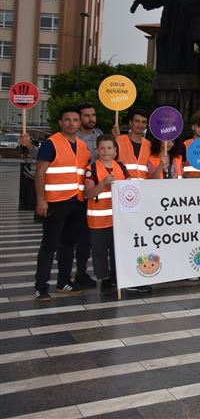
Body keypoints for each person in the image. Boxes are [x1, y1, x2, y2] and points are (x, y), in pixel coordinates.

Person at [33, 106, 92, 301]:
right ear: (60, 122)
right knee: (50, 245)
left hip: (76, 201)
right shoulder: (51, 144)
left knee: (68, 244)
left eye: (75, 120)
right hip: (55, 202)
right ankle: (41, 287)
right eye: (67, 119)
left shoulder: (82, 146)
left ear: (79, 122)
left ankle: (64, 281)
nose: (71, 123)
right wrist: (41, 199)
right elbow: (40, 173)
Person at [83, 135, 130, 296]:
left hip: (119, 220)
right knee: (100, 252)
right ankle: (104, 279)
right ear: (97, 150)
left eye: (109, 148)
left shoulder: (122, 168)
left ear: (115, 151)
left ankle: (117, 276)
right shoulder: (92, 169)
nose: (106, 151)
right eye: (102, 148)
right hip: (98, 220)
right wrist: (102, 183)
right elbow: (89, 194)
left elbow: (130, 190)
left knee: (118, 250)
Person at [112, 109, 161, 180]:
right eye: (137, 121)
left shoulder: (149, 145)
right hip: (123, 186)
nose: (140, 125)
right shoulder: (118, 140)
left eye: (143, 122)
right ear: (130, 123)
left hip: (143, 187)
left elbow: (152, 171)